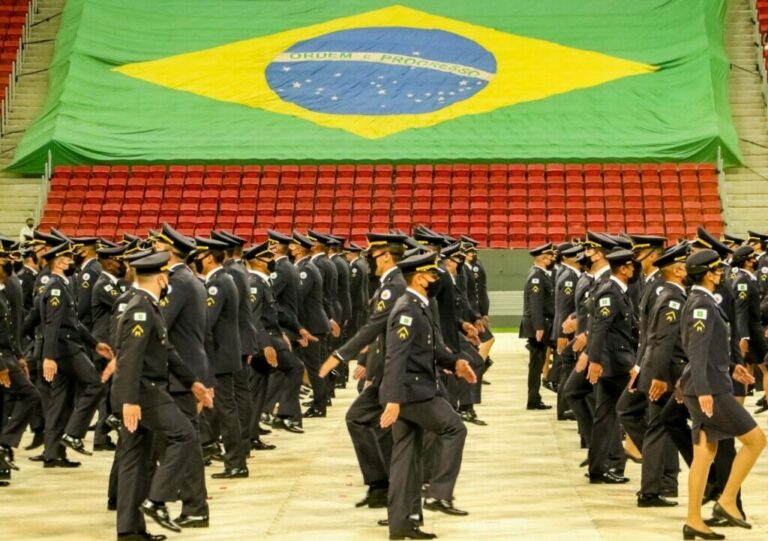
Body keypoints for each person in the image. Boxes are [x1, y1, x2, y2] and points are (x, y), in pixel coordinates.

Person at [111, 250, 213, 539]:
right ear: (159, 277)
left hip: (140, 391)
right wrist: (129, 400)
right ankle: (157, 500)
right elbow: (130, 358)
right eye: (165, 275)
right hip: (145, 392)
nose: (168, 279)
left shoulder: (146, 305)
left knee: (135, 459)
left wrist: (192, 382)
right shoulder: (141, 309)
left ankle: (129, 530)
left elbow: (166, 350)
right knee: (184, 435)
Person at [379, 252, 476, 540]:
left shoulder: (418, 306)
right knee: (454, 428)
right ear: (420, 278)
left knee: (406, 458)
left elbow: (428, 349)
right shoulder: (408, 310)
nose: (438, 279)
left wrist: (455, 363)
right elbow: (395, 357)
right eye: (433, 275)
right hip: (412, 392)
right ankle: (438, 493)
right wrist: (394, 400)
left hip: (409, 391)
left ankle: (402, 524)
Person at [680, 249, 765, 540]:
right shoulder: (701, 303)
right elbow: (697, 350)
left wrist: (731, 367)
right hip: (710, 390)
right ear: (707, 273)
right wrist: (705, 388)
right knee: (756, 440)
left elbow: (710, 348)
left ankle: (693, 520)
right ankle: (727, 500)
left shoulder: (702, 301)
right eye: (716, 270)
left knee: (704, 455)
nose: (721, 273)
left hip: (709, 383)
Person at [319, 232, 407, 509]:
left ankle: (394, 488)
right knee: (365, 421)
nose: (369, 261)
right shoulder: (388, 283)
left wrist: (340, 354)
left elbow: (375, 326)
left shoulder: (394, 285)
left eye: (372, 256)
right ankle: (381, 485)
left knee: (367, 421)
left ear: (385, 256)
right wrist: (366, 362)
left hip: (395, 372)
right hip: (383, 368)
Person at [39, 242, 113, 466]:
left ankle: (53, 453)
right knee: (96, 383)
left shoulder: (63, 284)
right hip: (65, 349)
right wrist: (48, 356)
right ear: (60, 263)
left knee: (61, 402)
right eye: (69, 259)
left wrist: (94, 344)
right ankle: (74, 433)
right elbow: (52, 324)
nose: (73, 262)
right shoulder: (55, 287)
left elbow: (74, 321)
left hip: (67, 346)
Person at [192, 236, 248, 479]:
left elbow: (208, 320)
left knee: (226, 409)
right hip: (226, 352)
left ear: (207, 257)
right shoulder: (224, 278)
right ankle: (220, 450)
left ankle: (236, 462)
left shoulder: (217, 283)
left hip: (220, 354)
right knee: (222, 407)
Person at [585, 248, 639, 484]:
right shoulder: (611, 292)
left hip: (614, 361)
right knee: (622, 413)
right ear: (624, 268)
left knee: (605, 416)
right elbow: (600, 328)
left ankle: (599, 467)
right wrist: (595, 360)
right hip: (615, 364)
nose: (635, 270)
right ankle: (613, 466)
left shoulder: (618, 290)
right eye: (632, 266)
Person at [519, 243, 556, 410]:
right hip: (538, 326)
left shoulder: (541, 274)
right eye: (549, 256)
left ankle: (534, 398)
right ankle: (533, 399)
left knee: (538, 363)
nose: (552, 259)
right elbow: (536, 304)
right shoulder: (537, 276)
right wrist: (539, 327)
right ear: (543, 258)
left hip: (541, 324)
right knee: (536, 364)